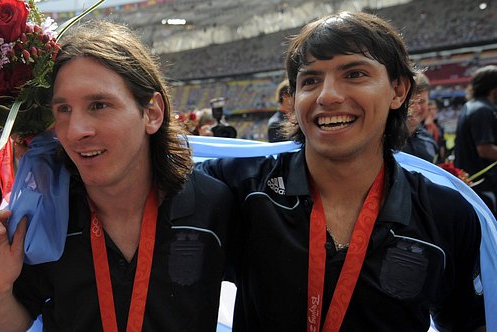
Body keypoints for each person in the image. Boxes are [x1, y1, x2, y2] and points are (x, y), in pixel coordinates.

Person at [198, 11, 486, 331]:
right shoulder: (239, 186)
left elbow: (469, 324)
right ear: (294, 99)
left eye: (354, 74)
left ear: (399, 90)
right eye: (310, 80)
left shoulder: (447, 213)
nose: (328, 95)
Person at [0, 19, 234, 331]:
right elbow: (21, 323)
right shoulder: (41, 219)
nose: (75, 131)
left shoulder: (214, 204)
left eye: (99, 105)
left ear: (152, 113)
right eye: (63, 110)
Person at [454, 65, 497, 216]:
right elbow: (485, 149)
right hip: (483, 186)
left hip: (474, 185)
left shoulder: (471, 106)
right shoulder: (483, 110)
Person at [401, 72, 439, 163]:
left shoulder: (429, 140)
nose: (416, 108)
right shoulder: (382, 141)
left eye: (421, 101)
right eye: (410, 102)